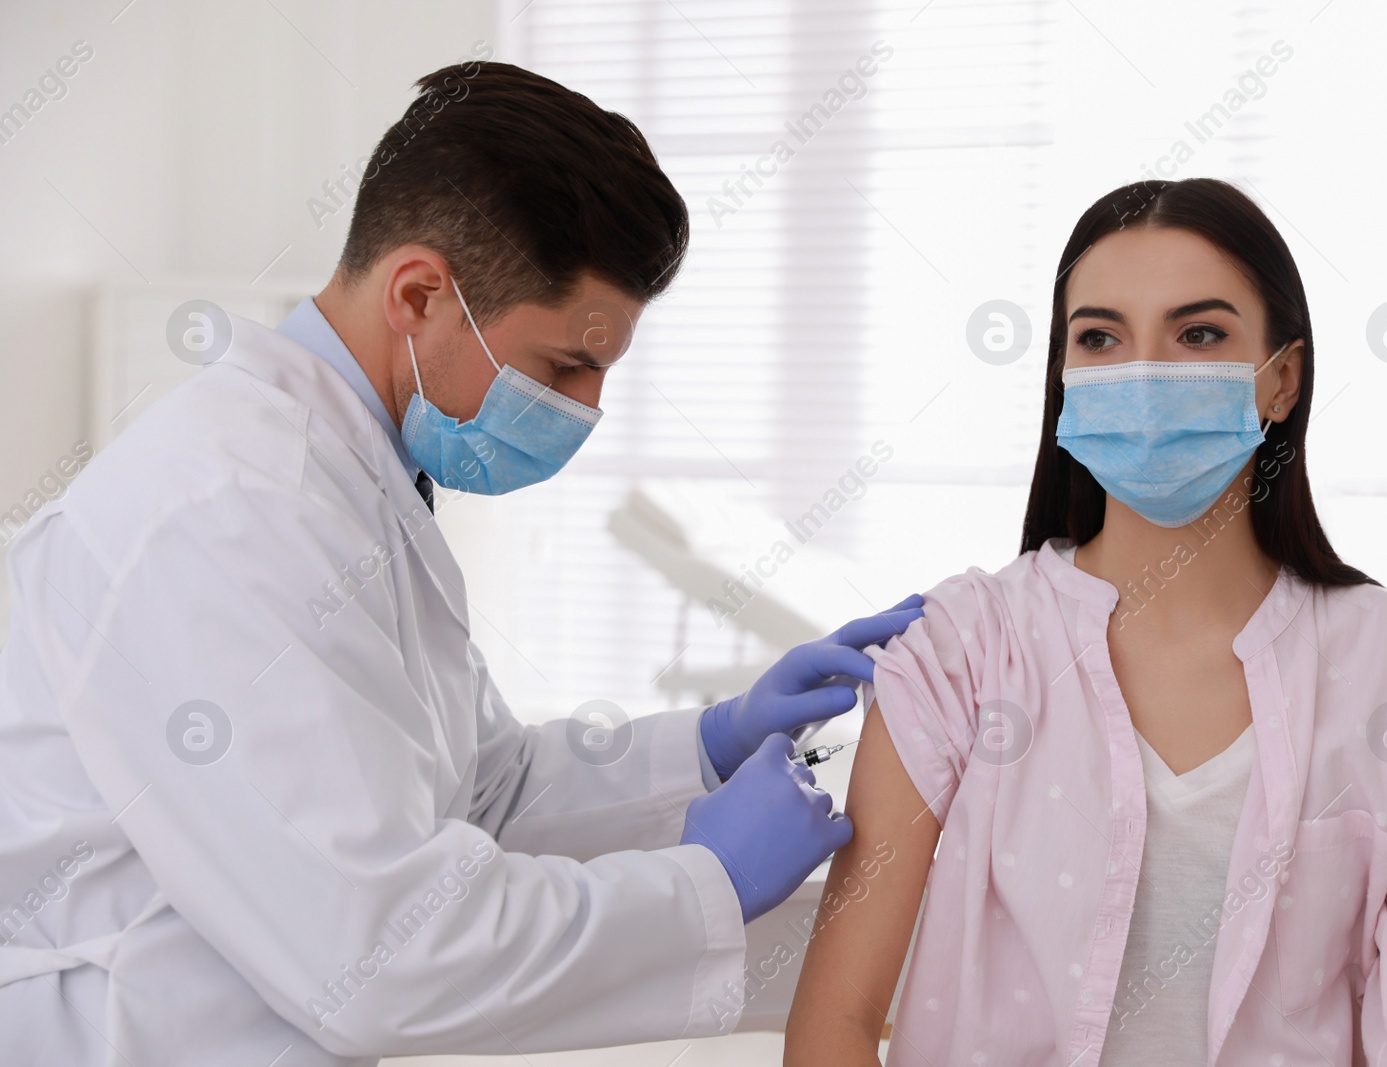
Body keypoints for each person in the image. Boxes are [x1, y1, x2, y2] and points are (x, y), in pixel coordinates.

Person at [0, 62, 922, 1065]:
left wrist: (710, 740)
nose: (586, 410)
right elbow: (386, 956)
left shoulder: (354, 482)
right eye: (564, 366)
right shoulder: (229, 508)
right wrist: (706, 878)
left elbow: (482, 790)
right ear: (420, 293)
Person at [785, 177, 1387, 1066]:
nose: (1142, 374)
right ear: (1065, 380)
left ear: (1283, 378)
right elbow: (833, 1027)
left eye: (1198, 334)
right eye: (1101, 338)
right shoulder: (961, 653)